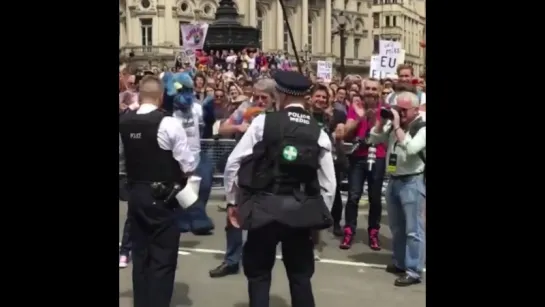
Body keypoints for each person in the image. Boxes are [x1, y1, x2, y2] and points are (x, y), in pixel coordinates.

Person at [223, 70, 336, 307]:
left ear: (280, 95)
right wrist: (318, 214)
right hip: (301, 210)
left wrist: (232, 201)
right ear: (306, 96)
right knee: (300, 277)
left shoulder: (264, 122)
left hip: (264, 207)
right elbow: (329, 183)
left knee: (259, 275)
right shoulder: (318, 131)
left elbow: (234, 163)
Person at [119, 75, 198, 307]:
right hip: (162, 196)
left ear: (139, 95)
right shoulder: (168, 123)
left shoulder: (124, 121)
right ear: (161, 97)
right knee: (162, 258)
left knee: (141, 254)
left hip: (136, 193)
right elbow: (188, 164)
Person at [369, 91, 426, 287]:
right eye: (397, 109)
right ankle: (400, 262)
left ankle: (414, 270)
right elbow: (373, 140)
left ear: (416, 109)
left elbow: (411, 149)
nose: (399, 114)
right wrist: (380, 122)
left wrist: (396, 126)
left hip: (412, 181)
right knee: (397, 227)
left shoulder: (422, 127)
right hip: (393, 180)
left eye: (403, 110)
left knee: (413, 229)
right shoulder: (395, 124)